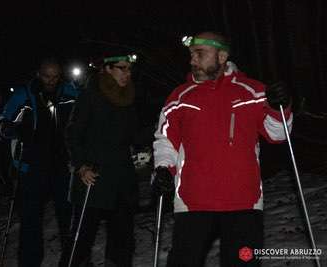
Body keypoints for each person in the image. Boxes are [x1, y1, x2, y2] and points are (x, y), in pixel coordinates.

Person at [152, 32, 292, 267]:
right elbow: (165, 140)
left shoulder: (253, 91)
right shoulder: (179, 97)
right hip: (193, 202)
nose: (192, 60)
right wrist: (164, 169)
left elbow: (278, 134)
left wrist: (280, 107)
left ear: (222, 56)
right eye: (191, 55)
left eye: (199, 54)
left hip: (244, 202)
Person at [0, 58, 76, 267]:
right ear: (39, 74)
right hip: (32, 167)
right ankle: (30, 262)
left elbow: (86, 120)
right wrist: (16, 129)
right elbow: (2, 124)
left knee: (68, 218)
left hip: (63, 165)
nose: (51, 81)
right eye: (47, 76)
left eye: (56, 76)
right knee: (30, 220)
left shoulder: (70, 93)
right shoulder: (24, 94)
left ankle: (73, 259)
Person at [66, 52, 139, 266]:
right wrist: (81, 166)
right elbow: (73, 134)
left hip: (121, 177)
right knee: (82, 237)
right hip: (94, 176)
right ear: (107, 68)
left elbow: (132, 134)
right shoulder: (91, 95)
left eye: (129, 69)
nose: (127, 73)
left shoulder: (129, 96)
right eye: (121, 68)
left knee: (122, 238)